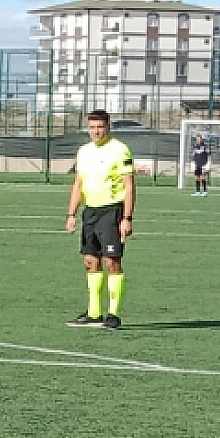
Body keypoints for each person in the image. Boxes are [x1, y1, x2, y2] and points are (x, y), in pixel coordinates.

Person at [65, 109, 134, 331]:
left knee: (111, 262)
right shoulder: (83, 152)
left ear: (108, 127)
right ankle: (94, 312)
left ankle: (113, 314)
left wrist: (127, 217)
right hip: (90, 212)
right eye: (92, 127)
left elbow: (129, 186)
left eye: (100, 127)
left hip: (112, 211)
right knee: (90, 261)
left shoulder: (120, 150)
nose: (96, 131)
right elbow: (78, 184)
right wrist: (71, 214)